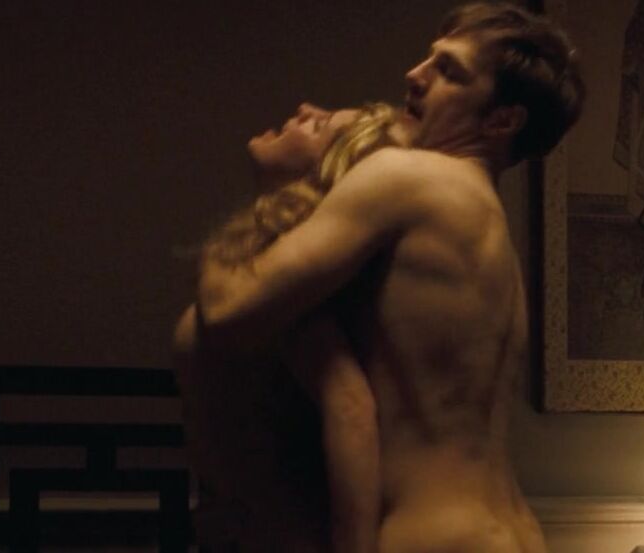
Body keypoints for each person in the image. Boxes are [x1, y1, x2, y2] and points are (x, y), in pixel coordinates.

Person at [193, 3, 583, 552]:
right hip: (513, 533)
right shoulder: (486, 224)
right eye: (429, 58)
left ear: (502, 121)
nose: (414, 74)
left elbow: (226, 310)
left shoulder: (409, 177)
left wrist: (265, 200)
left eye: (448, 71)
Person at [174, 103, 408, 552]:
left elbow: (350, 407)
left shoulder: (286, 277)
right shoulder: (266, 260)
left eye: (319, 126)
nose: (303, 109)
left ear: (328, 169)